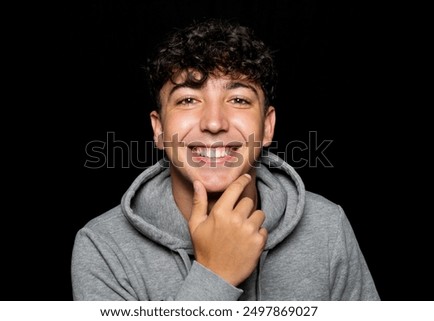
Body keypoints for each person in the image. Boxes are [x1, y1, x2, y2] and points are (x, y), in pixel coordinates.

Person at [71, 19, 379, 300]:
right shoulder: (102, 246)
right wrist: (215, 276)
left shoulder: (326, 226)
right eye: (188, 99)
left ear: (267, 126)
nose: (215, 122)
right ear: (160, 129)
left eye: (239, 99)